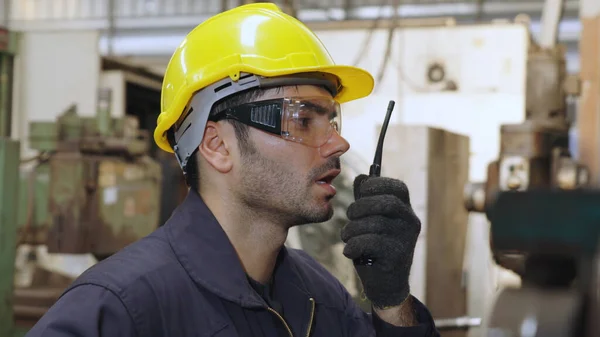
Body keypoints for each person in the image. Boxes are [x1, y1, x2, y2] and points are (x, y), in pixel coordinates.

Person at [26, 3, 440, 336]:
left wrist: (391, 303)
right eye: (302, 119)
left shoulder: (318, 296)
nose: (338, 143)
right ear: (217, 146)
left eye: (332, 121)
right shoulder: (120, 309)